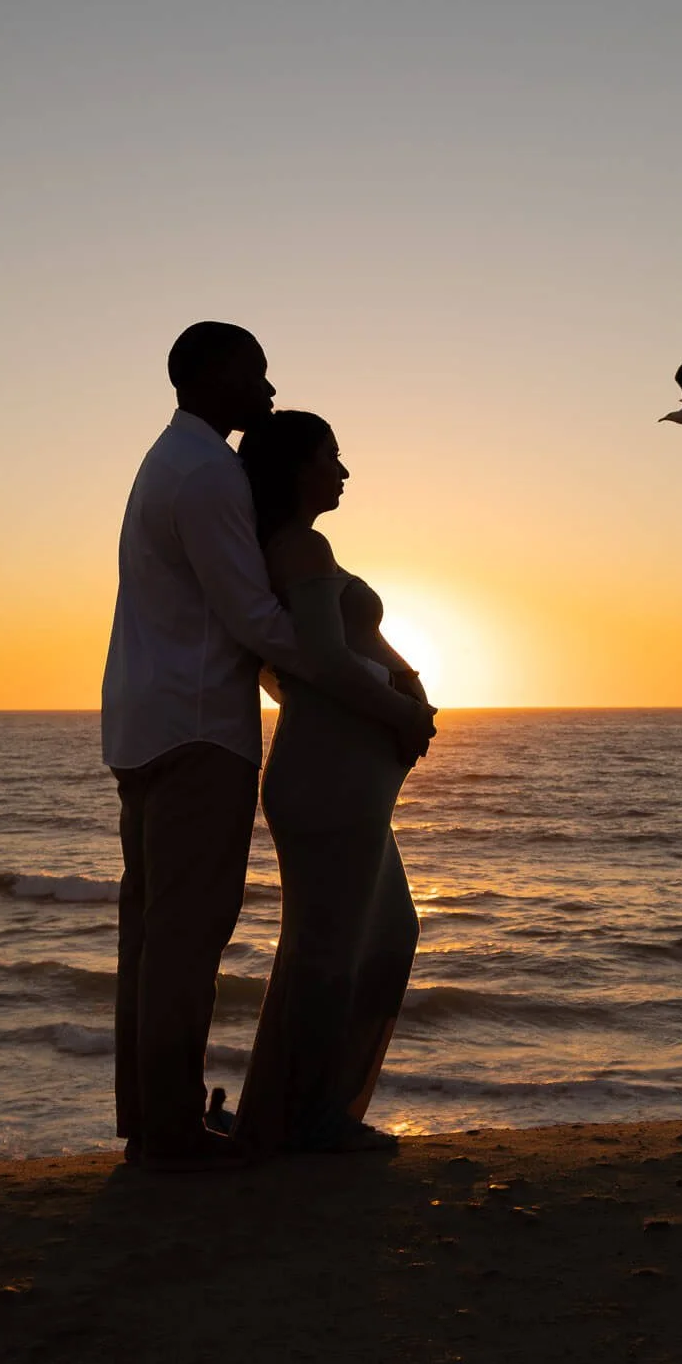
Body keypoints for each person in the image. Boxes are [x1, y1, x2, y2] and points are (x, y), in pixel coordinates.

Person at [103, 324, 435, 1172]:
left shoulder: (167, 462)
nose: (269, 387)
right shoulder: (210, 470)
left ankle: (155, 1121)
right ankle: (173, 1134)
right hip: (198, 725)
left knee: (153, 933)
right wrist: (373, 685)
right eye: (255, 370)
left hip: (149, 719)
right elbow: (256, 620)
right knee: (186, 936)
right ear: (214, 374)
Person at [233, 411, 425, 1155]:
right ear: (295, 470)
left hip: (350, 773)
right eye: (331, 458)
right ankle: (309, 1117)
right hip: (328, 773)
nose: (343, 472)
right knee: (329, 949)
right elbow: (318, 658)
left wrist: (408, 704)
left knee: (382, 934)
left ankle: (310, 1108)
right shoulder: (300, 547)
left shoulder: (297, 548)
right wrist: (402, 713)